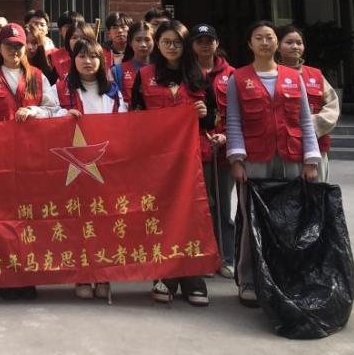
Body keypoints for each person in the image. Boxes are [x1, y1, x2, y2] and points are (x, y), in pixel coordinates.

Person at [0, 22, 65, 301]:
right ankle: (6, 277)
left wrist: (35, 111)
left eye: (19, 46)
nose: (14, 50)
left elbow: (55, 110)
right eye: (9, 46)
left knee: (29, 219)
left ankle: (28, 277)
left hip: (33, 160)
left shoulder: (38, 77)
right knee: (4, 220)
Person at [227, 21, 321, 307]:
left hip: (291, 157)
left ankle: (285, 278)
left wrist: (311, 160)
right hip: (255, 159)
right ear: (250, 44)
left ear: (276, 43)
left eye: (269, 37)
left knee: (290, 220)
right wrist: (237, 160)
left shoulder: (293, 77)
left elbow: (305, 120)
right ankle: (249, 280)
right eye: (259, 38)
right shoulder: (238, 78)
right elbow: (233, 121)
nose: (265, 42)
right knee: (252, 220)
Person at [131, 20, 216, 307]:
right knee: (163, 215)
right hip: (158, 161)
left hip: (193, 158)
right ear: (158, 44)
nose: (171, 47)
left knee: (194, 215)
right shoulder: (145, 75)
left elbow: (213, 118)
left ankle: (194, 277)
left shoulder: (198, 75)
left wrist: (203, 114)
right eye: (166, 41)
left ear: (185, 45)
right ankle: (165, 275)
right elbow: (135, 116)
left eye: (177, 42)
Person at [56, 38, 126, 300]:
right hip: (73, 166)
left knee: (105, 220)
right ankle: (83, 274)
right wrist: (62, 117)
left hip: (106, 165)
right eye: (82, 56)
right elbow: (47, 113)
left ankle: (104, 273)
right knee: (78, 221)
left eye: (94, 56)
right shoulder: (61, 88)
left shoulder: (113, 92)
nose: (88, 61)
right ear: (73, 60)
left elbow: (124, 125)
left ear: (102, 60)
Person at [189, 23, 236, 278]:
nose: (205, 45)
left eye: (209, 40)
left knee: (223, 206)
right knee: (203, 205)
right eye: (200, 41)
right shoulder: (186, 73)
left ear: (217, 43)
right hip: (196, 149)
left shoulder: (232, 74)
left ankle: (226, 257)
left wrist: (226, 136)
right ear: (192, 45)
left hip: (224, 148)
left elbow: (238, 113)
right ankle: (205, 257)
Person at [277, 24, 339, 182]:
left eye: (299, 43)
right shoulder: (271, 74)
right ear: (277, 46)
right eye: (289, 42)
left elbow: (332, 107)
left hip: (316, 145)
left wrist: (310, 124)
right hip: (282, 147)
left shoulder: (315, 75)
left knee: (317, 192)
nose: (295, 46)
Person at [110, 20, 153, 100]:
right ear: (130, 42)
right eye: (138, 40)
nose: (143, 45)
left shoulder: (163, 69)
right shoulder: (117, 71)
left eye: (147, 40)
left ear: (155, 42)